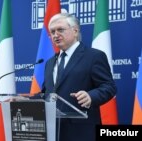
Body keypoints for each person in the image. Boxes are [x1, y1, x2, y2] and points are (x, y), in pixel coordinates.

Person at [31, 13, 116, 141]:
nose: (55, 35)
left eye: (60, 30)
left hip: (81, 131)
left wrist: (90, 96)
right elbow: (47, 93)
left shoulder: (93, 56)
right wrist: (22, 101)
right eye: (52, 32)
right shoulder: (49, 62)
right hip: (53, 131)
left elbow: (109, 87)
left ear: (75, 31)